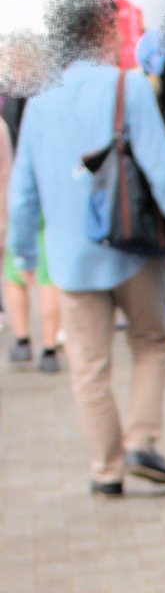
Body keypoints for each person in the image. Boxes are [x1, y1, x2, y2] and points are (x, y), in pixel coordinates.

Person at [6, 0, 165, 494]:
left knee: (88, 369)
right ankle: (141, 439)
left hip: (69, 259)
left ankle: (106, 472)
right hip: (133, 249)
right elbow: (160, 168)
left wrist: (22, 252)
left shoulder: (40, 100)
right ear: (103, 30)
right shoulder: (127, 87)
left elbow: (22, 191)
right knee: (152, 342)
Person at [1, 32, 62, 372]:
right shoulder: (50, 96)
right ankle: (50, 348)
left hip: (14, 197)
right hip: (48, 193)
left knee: (16, 270)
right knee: (47, 274)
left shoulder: (7, 100)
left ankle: (23, 339)